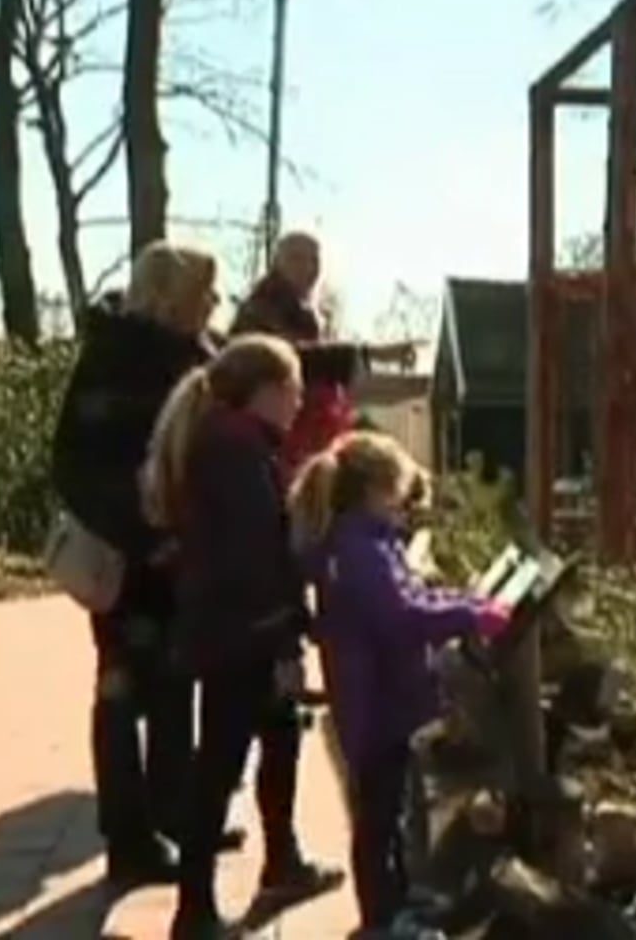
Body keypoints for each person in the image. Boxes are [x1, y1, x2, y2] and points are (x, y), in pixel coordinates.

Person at [142, 335, 342, 938]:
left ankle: (280, 862)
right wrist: (286, 630)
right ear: (267, 391)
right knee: (221, 763)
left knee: (276, 740)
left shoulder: (228, 442)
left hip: (228, 625)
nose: (299, 403)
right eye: (294, 391)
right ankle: (194, 907)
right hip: (243, 631)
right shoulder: (236, 452)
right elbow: (255, 553)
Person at [50, 240, 232, 887]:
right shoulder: (116, 361)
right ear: (172, 297)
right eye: (204, 293)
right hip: (132, 565)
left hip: (176, 558)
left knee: (175, 685)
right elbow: (74, 463)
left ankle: (175, 814)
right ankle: (128, 836)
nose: (215, 304)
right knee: (124, 690)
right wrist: (140, 535)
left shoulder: (194, 355)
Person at [290, 432, 510, 934]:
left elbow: (411, 596)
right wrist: (470, 617)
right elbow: (402, 615)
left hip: (381, 701)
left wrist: (468, 606)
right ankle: (381, 918)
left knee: (392, 811)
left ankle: (398, 898)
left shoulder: (369, 541)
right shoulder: (360, 549)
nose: (403, 502)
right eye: (398, 489)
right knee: (378, 817)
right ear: (377, 488)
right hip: (376, 706)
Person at [232, 231, 414, 479]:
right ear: (277, 263)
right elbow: (296, 359)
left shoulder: (301, 310)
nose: (308, 268)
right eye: (297, 259)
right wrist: (372, 354)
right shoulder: (264, 309)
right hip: (276, 442)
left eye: (314, 260)